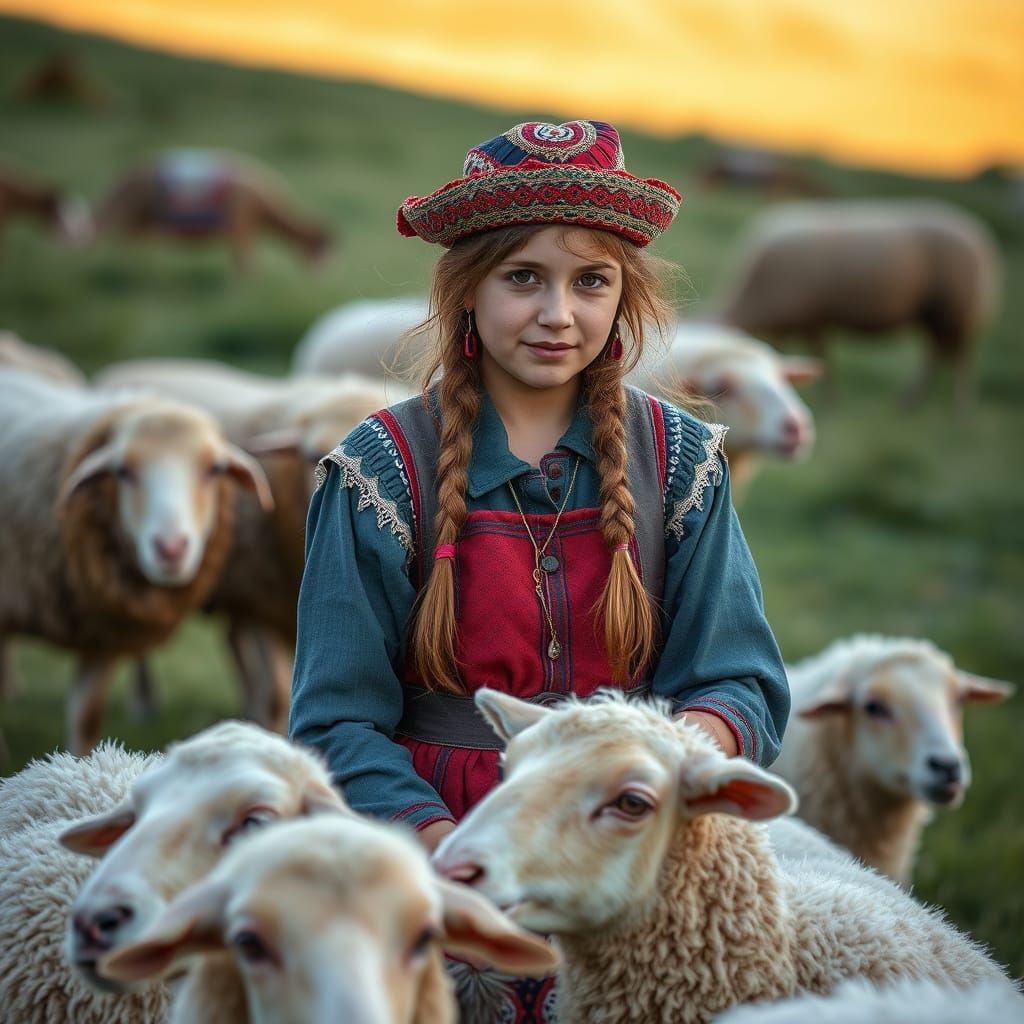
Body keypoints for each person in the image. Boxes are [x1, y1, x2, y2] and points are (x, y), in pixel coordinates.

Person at [290, 119, 790, 1022]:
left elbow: (739, 678)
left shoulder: (682, 463)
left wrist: (663, 776)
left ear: (622, 299)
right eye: (524, 277)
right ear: (467, 290)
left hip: (628, 863)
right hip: (434, 866)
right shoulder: (378, 471)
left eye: (591, 281)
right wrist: (450, 851)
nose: (560, 314)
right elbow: (333, 721)